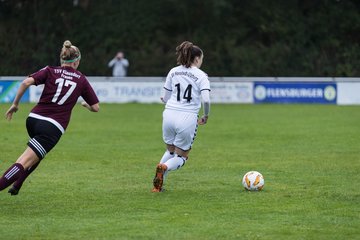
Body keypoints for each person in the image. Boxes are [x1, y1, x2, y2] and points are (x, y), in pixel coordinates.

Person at [1, 40, 100, 195]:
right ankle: (9, 183)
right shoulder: (81, 79)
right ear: (77, 61)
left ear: (62, 59)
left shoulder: (50, 70)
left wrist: (15, 104)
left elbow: (26, 82)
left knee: (37, 153)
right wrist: (85, 105)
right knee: (24, 160)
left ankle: (17, 185)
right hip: (52, 127)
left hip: (33, 119)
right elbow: (96, 108)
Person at [152, 41, 211, 192]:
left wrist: (165, 100)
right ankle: (164, 167)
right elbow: (206, 99)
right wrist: (205, 115)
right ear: (197, 59)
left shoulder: (173, 71)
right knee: (181, 157)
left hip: (169, 114)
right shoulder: (201, 75)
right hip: (187, 117)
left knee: (170, 151)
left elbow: (165, 97)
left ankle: (158, 185)